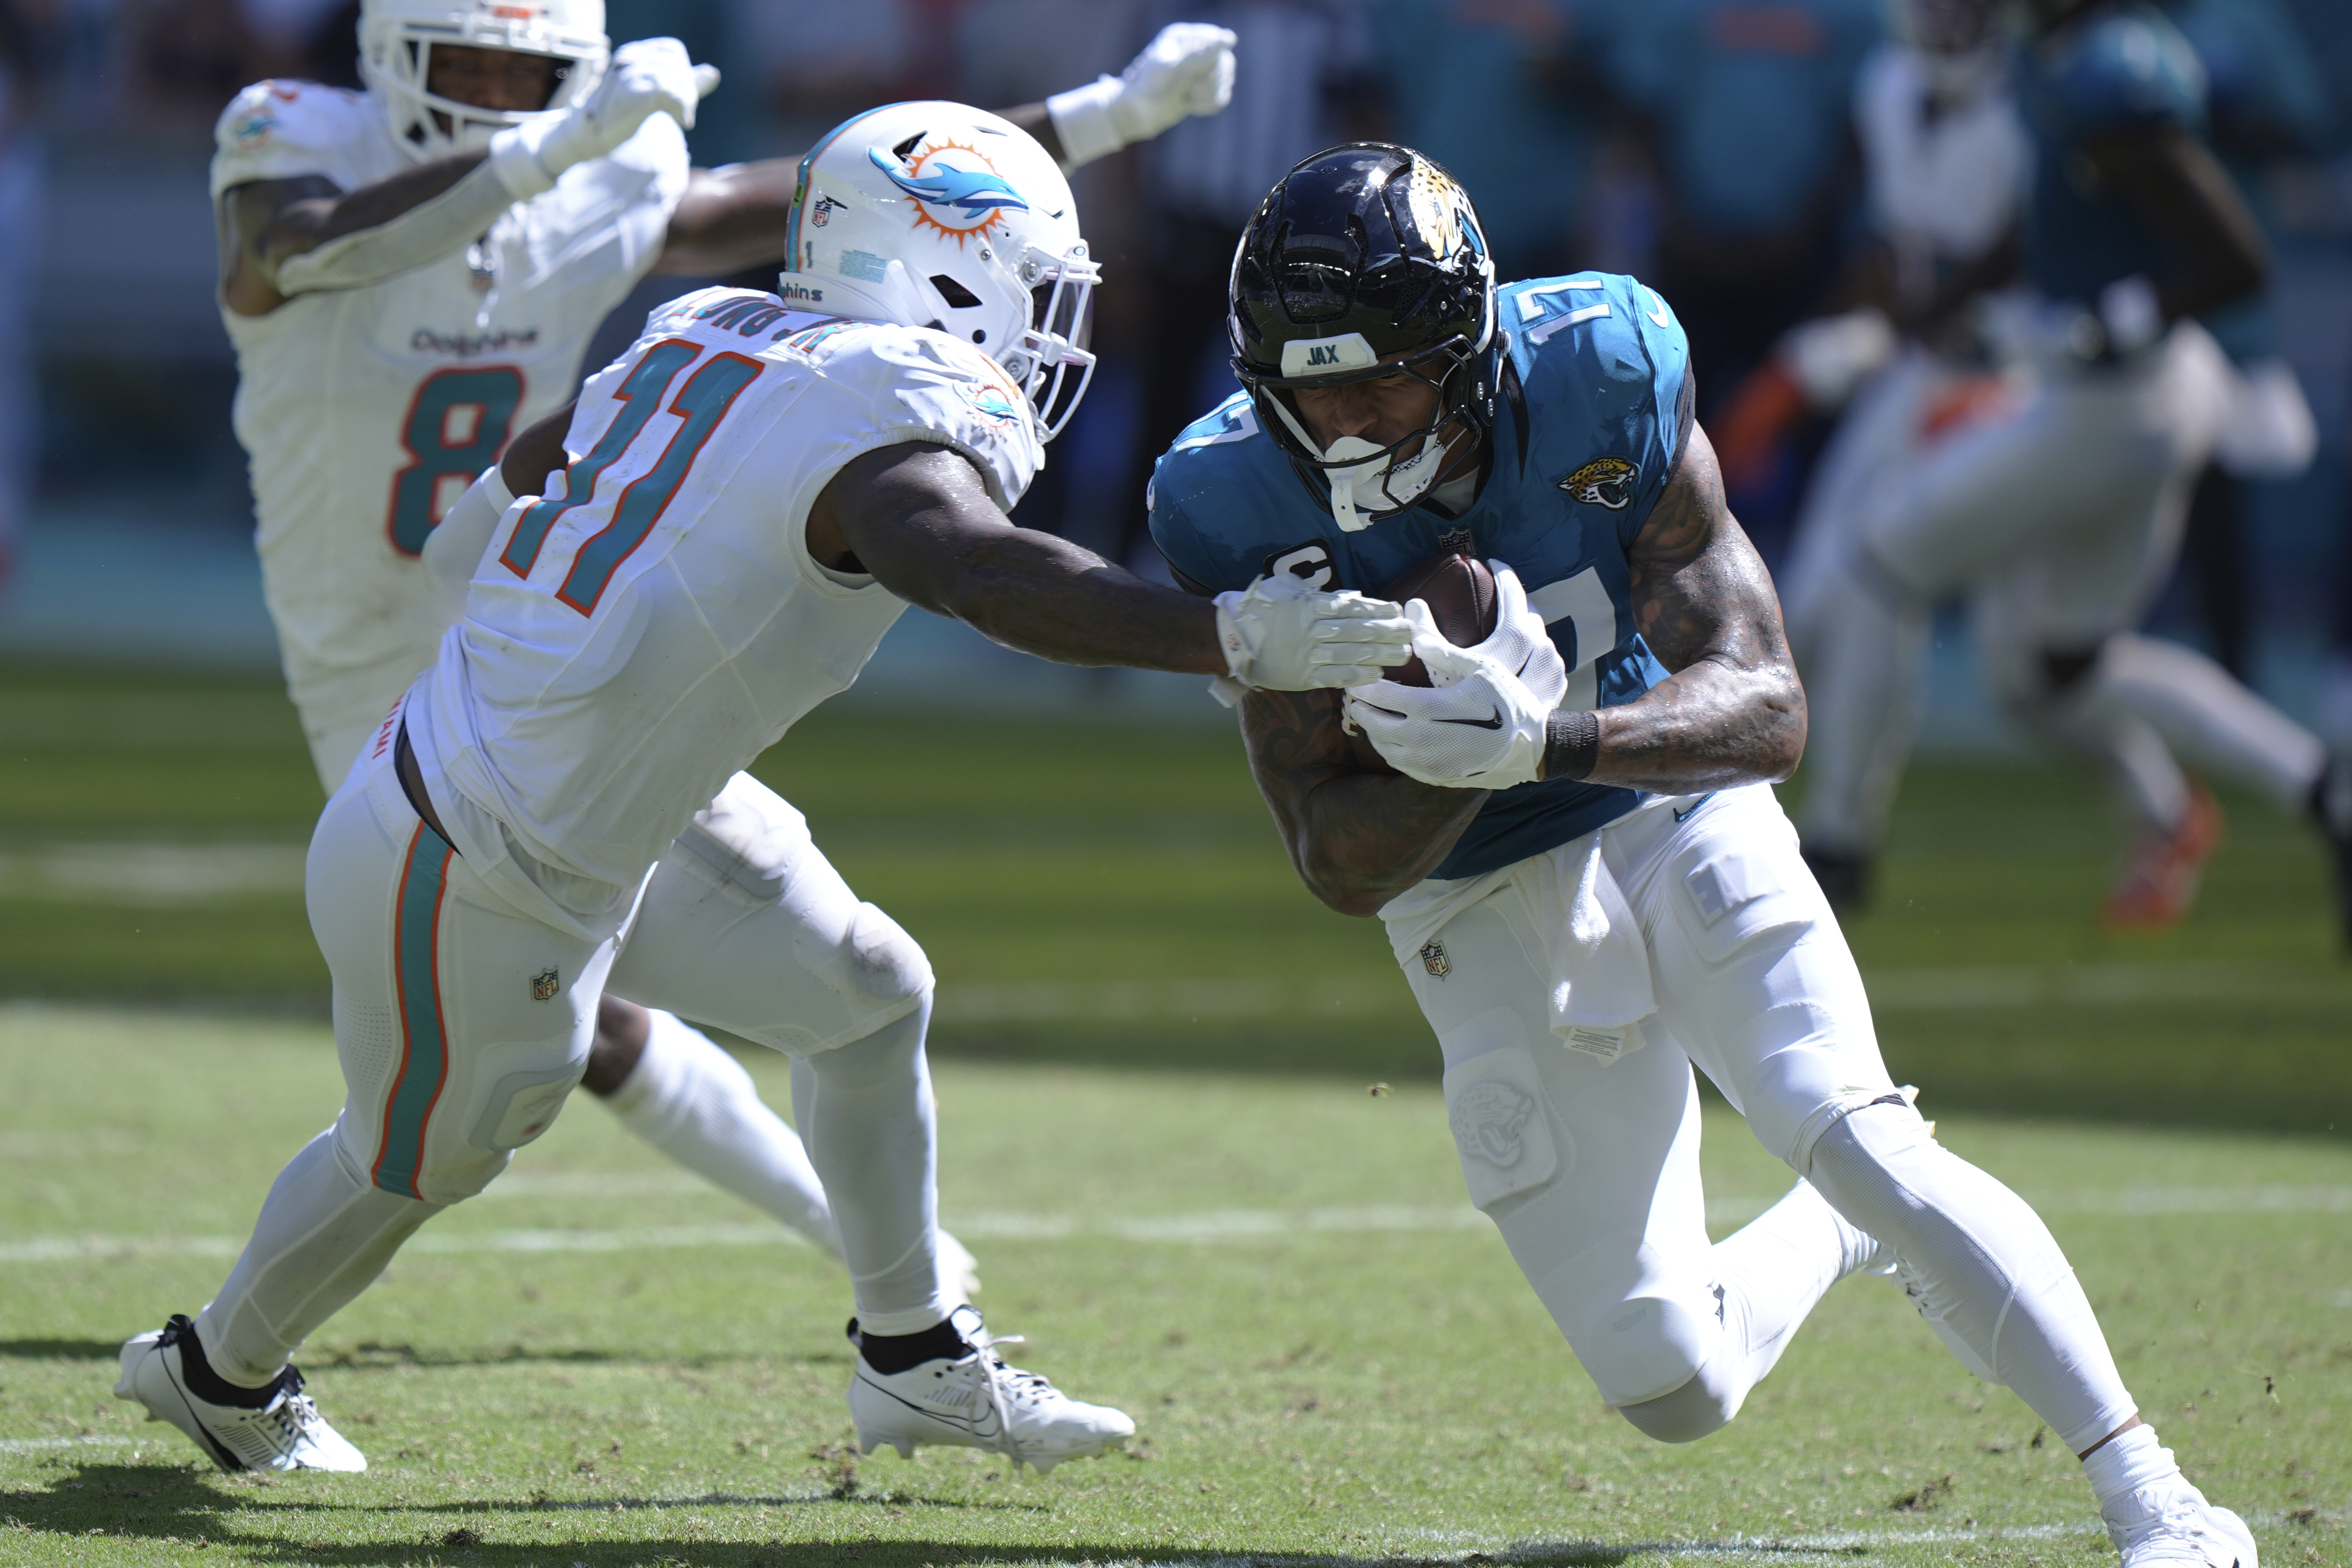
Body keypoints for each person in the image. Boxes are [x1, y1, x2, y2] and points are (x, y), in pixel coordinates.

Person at [116, 101, 1411, 1477]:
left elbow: (490, 510)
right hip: (481, 857)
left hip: (585, 797)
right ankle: (216, 1367)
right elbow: (975, 569)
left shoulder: (709, 329)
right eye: (1031, 284)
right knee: (426, 1156)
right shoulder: (893, 414)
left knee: (866, 990)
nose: (1051, 327)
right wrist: (1220, 635)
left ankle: (914, 1355)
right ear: (943, 267)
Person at [1147, 142, 2260, 1568]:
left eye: (1378, 381)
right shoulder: (1232, 500)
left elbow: (1770, 700)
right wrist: (1457, 766)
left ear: (1468, 350)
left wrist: (1552, 739)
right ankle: (1842, 1232)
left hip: (1665, 803)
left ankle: (2157, 1495)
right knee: (1671, 1381)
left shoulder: (1605, 368)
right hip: (1471, 880)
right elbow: (1332, 852)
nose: (1345, 425)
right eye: (1310, 388)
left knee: (1853, 1124)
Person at [192, 0, 1238, 1322]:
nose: (495, 100)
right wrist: (546, 152)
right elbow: (285, 254)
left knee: (824, 985)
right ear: (391, 49)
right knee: (542, 1052)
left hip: (548, 627)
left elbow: (852, 194)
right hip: (387, 676)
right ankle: (225, 1351)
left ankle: (902, 1310)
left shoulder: (594, 169)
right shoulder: (300, 139)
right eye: (465, 65)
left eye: (529, 77)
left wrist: (1109, 116)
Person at [1787, 0, 2352, 938]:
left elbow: (2235, 258)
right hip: (2129, 402)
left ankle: (1838, 844)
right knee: (2056, 669)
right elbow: (2031, 232)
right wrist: (1936, 323)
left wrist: (2114, 319)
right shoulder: (2057, 64)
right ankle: (2322, 787)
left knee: (1877, 564)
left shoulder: (2105, 71)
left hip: (2107, 408)